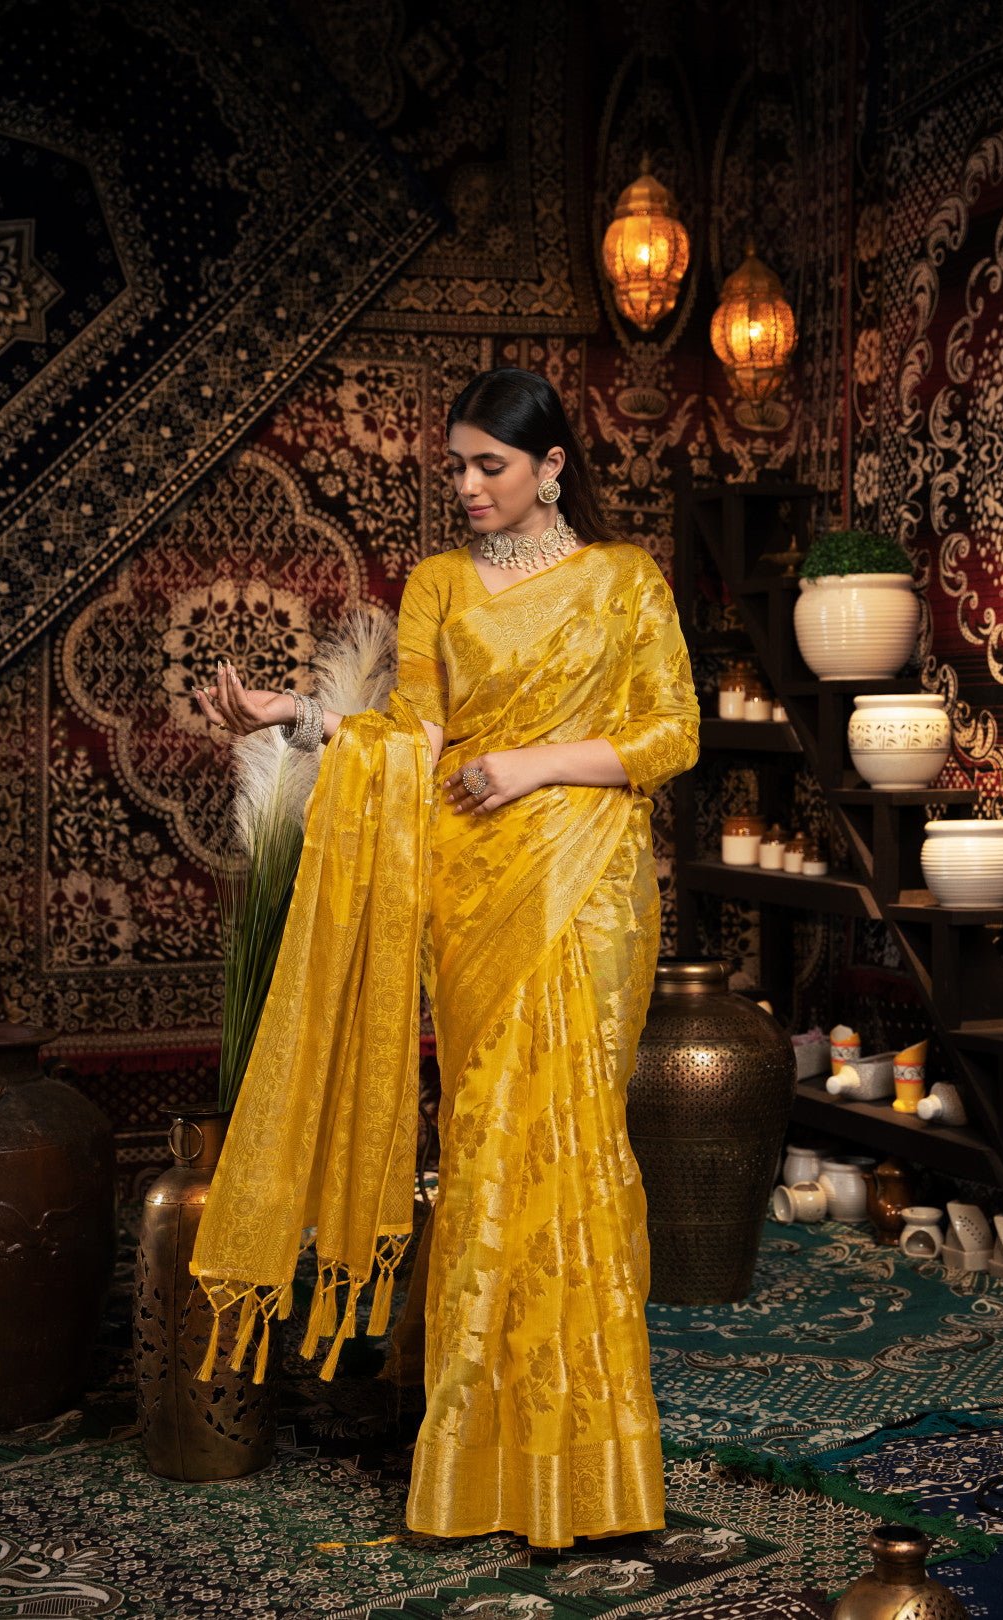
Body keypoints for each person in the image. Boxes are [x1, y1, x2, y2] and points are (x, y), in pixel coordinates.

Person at [190, 367, 699, 1548]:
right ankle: (480, 1459)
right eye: (457, 467)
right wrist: (294, 716)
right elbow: (411, 739)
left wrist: (536, 764)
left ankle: (593, 1467)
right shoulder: (437, 585)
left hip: (585, 884)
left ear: (552, 466)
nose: (468, 486)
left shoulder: (625, 581)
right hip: (474, 894)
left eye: (491, 465)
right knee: (489, 1148)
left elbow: (672, 734)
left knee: (571, 1143)